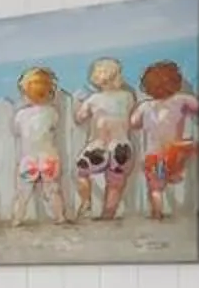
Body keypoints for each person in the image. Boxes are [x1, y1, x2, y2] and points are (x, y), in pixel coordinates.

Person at [73, 56, 140, 221]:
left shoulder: (93, 99)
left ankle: (86, 201)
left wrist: (78, 105)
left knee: (81, 172)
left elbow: (79, 118)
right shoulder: (128, 97)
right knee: (115, 185)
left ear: (96, 78)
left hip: (99, 147)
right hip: (121, 147)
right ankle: (107, 215)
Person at [133, 60, 199, 218]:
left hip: (155, 157)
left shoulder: (144, 106)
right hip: (175, 153)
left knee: (155, 189)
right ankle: (174, 174)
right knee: (191, 145)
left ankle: (157, 213)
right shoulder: (183, 100)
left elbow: (134, 123)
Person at [11, 68, 67, 223]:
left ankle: (17, 219)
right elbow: (54, 126)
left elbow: (16, 131)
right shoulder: (52, 112)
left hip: (29, 159)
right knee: (52, 190)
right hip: (48, 157)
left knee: (23, 193)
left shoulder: (21, 115)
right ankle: (60, 217)